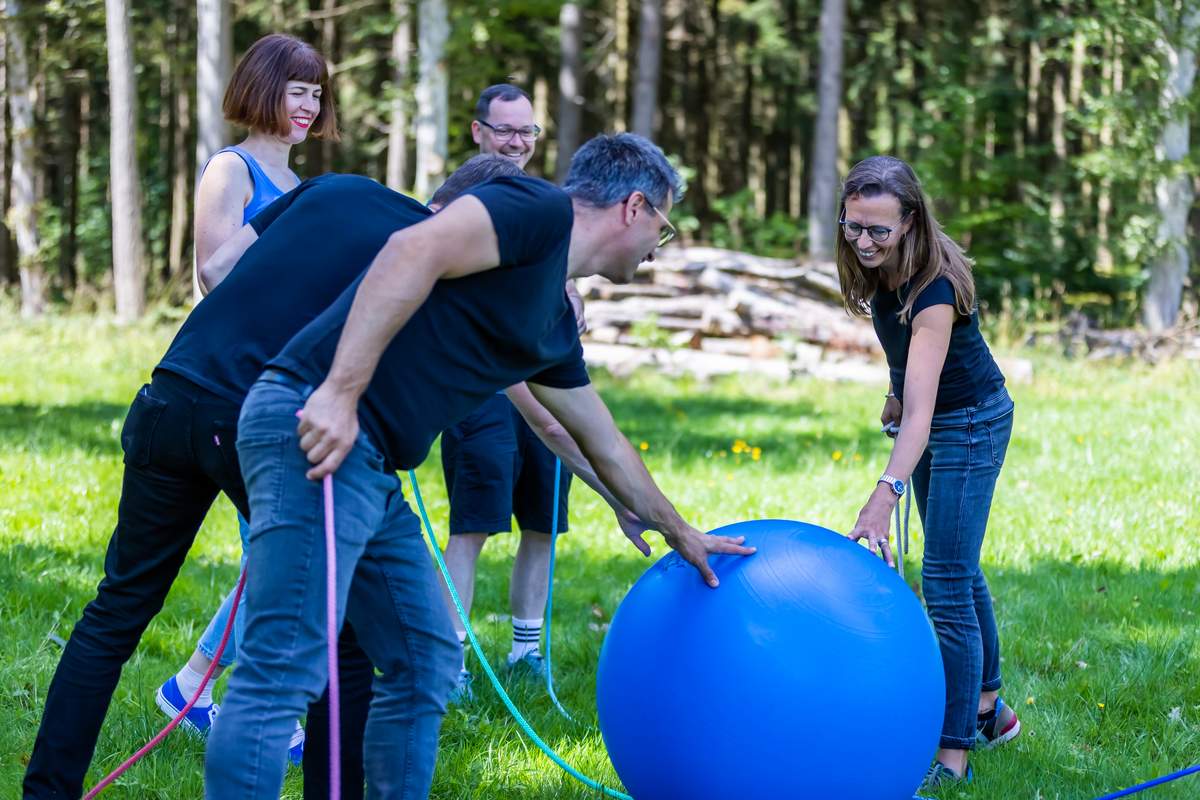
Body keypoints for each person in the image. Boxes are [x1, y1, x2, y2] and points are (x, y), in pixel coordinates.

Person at [204, 133, 755, 798]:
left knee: (425, 657)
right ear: (633, 207)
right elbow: (411, 249)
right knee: (282, 667)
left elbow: (598, 439)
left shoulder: (550, 321)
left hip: (369, 464)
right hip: (316, 424)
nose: (656, 249)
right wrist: (341, 392)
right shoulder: (536, 210)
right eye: (662, 229)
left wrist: (676, 528)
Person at [20, 156, 516, 800]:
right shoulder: (426, 259)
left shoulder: (336, 187)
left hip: (170, 393)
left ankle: (46, 792)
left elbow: (217, 269)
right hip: (259, 417)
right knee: (343, 631)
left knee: (117, 608)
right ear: (473, 218)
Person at [155, 32, 338, 766]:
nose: (309, 105)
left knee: (283, 551)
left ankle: (201, 687)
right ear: (263, 88)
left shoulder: (303, 186)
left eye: (317, 93)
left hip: (294, 382)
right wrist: (282, 222)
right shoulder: (232, 169)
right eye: (298, 90)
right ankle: (223, 695)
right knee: (280, 551)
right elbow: (213, 275)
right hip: (235, 386)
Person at [837, 156, 1020, 790]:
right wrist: (894, 387)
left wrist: (883, 495)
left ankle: (953, 755)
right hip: (938, 414)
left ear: (910, 221)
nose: (864, 242)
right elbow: (906, 360)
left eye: (878, 230)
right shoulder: (881, 269)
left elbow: (924, 414)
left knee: (944, 583)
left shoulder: (935, 288)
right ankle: (989, 708)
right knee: (956, 567)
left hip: (971, 422)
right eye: (853, 226)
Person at [439, 83, 580, 699]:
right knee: (472, 527)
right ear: (478, 132)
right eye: (505, 130)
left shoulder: (544, 201)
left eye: (528, 131)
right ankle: (451, 664)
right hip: (479, 392)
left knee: (542, 524)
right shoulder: (459, 200)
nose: (517, 142)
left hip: (543, 387)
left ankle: (526, 652)